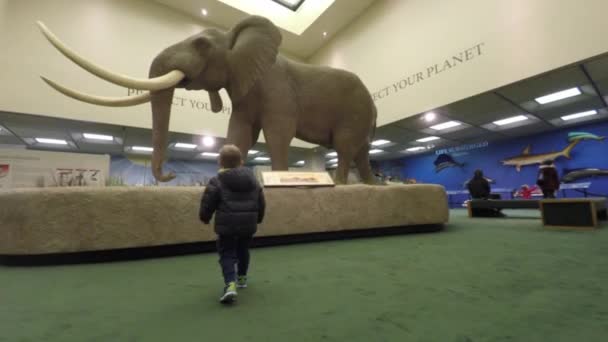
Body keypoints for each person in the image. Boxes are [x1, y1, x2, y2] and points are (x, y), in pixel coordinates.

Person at [199, 145, 266, 304]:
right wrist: (258, 218)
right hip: (248, 223)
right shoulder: (253, 180)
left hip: (227, 225)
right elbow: (261, 202)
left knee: (227, 252)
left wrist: (204, 217)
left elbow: (208, 202)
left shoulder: (217, 181)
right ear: (241, 162)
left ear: (220, 162)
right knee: (243, 249)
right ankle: (242, 277)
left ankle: (230, 284)